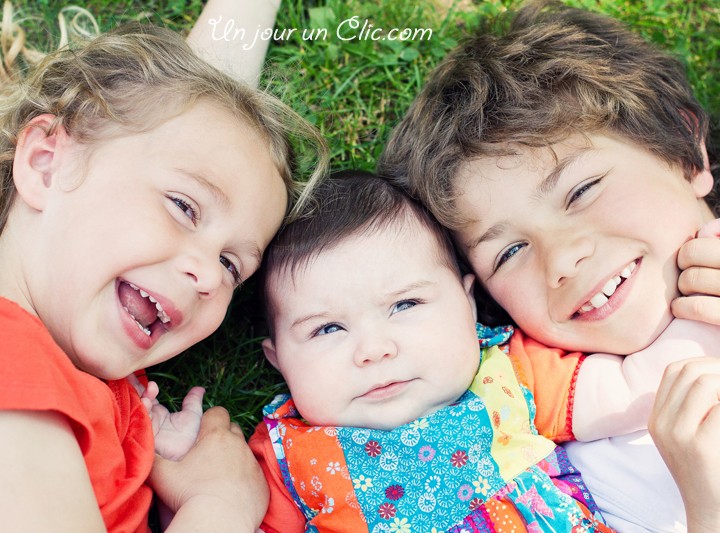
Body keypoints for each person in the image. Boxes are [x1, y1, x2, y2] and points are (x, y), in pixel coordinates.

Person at [377, 0, 720, 530]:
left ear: (684, 153)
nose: (561, 258)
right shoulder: (549, 461)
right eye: (509, 252)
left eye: (581, 190)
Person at [0, 5, 326, 531]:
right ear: (46, 163)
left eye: (231, 264)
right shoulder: (13, 370)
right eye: (184, 207)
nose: (209, 276)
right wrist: (220, 505)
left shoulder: (60, 339)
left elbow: (198, 128)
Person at [244, 170, 614, 532]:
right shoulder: (284, 456)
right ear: (278, 361)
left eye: (405, 305)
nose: (374, 350)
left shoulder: (509, 369)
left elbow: (626, 391)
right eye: (327, 329)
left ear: (468, 305)